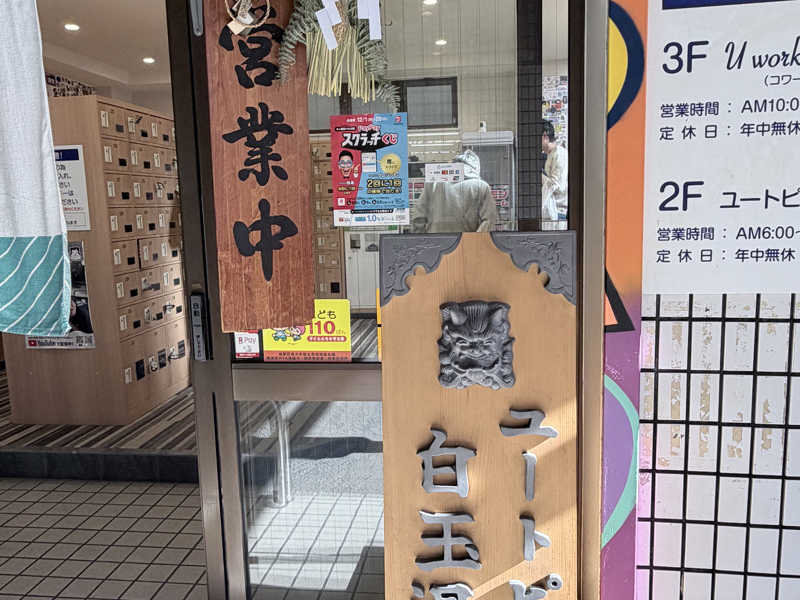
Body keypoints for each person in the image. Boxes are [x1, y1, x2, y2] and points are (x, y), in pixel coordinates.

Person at [411, 149, 496, 233]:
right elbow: (489, 220)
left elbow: (418, 217)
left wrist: (422, 238)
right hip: (468, 240)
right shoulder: (481, 186)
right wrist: (475, 239)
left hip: (436, 240)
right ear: (476, 167)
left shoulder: (433, 183)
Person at [541, 120, 568, 231]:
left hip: (558, 212)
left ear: (545, 136)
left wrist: (540, 176)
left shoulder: (560, 154)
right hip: (551, 212)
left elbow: (556, 185)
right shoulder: (550, 155)